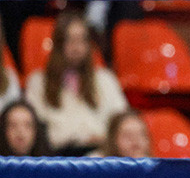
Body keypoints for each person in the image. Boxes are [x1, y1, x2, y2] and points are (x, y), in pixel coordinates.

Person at [25, 12, 129, 155]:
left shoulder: (106, 79)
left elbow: (121, 124)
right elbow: (35, 132)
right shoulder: (38, 82)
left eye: (82, 40)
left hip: (100, 156)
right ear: (59, 44)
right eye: (70, 40)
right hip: (59, 157)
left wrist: (104, 139)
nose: (77, 47)